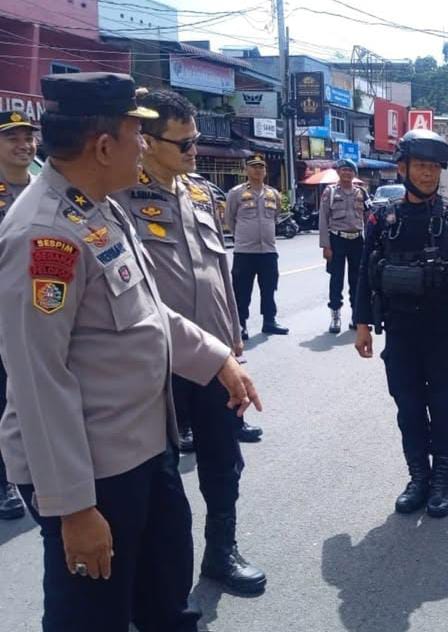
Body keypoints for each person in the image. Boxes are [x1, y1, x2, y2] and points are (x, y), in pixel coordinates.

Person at [0, 72, 262, 632]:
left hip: (144, 446)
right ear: (102, 146)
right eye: (136, 134)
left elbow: (148, 312)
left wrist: (217, 357)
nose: (143, 145)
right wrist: (73, 507)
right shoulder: (44, 234)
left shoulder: (99, 207)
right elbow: (38, 379)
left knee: (166, 595)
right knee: (92, 616)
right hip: (92, 472)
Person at [113, 89, 266, 594]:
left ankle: (221, 551)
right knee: (156, 473)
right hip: (155, 362)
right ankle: (156, 577)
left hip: (215, 358)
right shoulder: (117, 197)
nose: (195, 150)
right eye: (185, 143)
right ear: (147, 141)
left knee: (224, 461)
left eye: (196, 139)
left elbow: (216, 270)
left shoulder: (201, 191)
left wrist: (233, 341)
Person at [354, 129, 448, 518]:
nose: (428, 174)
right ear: (403, 168)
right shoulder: (381, 216)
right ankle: (418, 477)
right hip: (399, 332)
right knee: (409, 407)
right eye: (421, 166)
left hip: (445, 332)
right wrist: (362, 323)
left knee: (444, 406)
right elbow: (366, 271)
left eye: (434, 167)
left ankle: (442, 482)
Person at [0, 109, 38, 520]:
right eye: (12, 138)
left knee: (33, 394)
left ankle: (34, 468)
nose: (24, 145)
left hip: (41, 312)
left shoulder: (44, 188)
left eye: (27, 137)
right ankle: (4, 482)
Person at [226, 154, 288, 338]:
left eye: (261, 167)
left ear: (265, 171)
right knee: (242, 290)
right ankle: (241, 324)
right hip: (244, 252)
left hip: (268, 251)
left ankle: (269, 321)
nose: (257, 170)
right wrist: (243, 237)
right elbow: (230, 219)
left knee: (269, 288)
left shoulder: (273, 194)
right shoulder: (236, 193)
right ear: (246, 170)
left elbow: (275, 217)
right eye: (253, 166)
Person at [318, 158, 368, 333]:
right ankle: (335, 316)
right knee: (336, 279)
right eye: (344, 170)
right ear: (338, 172)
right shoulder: (330, 192)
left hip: (357, 240)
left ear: (354, 174)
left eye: (350, 170)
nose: (347, 173)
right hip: (336, 239)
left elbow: (368, 219)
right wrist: (326, 245)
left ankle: (357, 316)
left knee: (358, 280)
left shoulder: (361, 192)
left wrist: (369, 243)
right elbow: (323, 219)